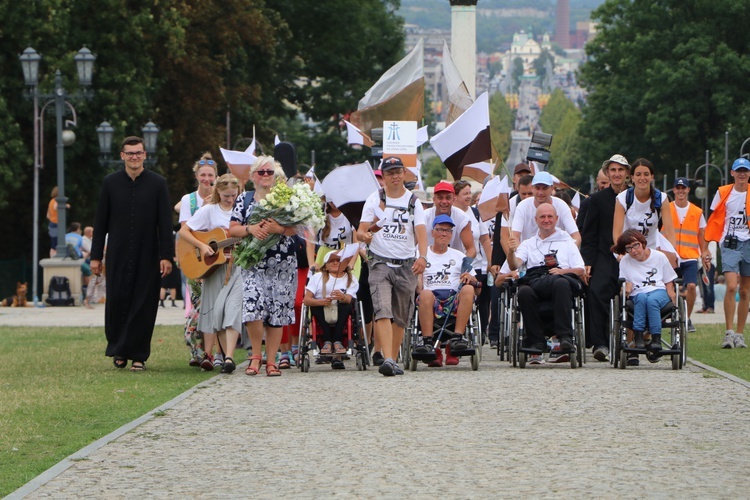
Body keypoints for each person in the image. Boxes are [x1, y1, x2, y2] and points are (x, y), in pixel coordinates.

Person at [90, 136, 175, 372]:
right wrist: (96, 256)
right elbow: (101, 221)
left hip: (148, 252)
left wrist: (166, 255)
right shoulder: (110, 183)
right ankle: (118, 348)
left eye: (138, 153)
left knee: (144, 304)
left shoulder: (158, 184)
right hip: (117, 252)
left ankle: (139, 354)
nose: (134, 157)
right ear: (122, 156)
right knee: (117, 300)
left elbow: (165, 223)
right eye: (130, 153)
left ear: (145, 155)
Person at [227, 156, 299, 377]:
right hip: (253, 262)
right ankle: (255, 356)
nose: (266, 176)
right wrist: (251, 229)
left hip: (282, 263)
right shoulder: (245, 199)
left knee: (277, 312)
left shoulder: (286, 199)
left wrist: (280, 229)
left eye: (269, 172)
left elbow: (298, 228)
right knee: (252, 307)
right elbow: (232, 229)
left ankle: (272, 360)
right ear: (252, 176)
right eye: (261, 172)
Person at [357, 156, 427, 377]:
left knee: (400, 316)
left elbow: (421, 232)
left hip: (406, 263)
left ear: (404, 173)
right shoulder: (374, 198)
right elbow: (361, 230)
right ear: (384, 176)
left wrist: (422, 257)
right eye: (390, 173)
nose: (395, 176)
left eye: (398, 172)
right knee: (382, 310)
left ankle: (393, 358)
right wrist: (366, 235)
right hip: (379, 262)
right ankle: (387, 357)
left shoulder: (414, 202)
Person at [179, 174, 244, 374]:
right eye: (226, 195)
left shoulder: (242, 211)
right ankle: (222, 355)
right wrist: (202, 246)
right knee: (217, 312)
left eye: (233, 195)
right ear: (218, 192)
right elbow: (184, 231)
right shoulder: (209, 210)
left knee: (233, 309)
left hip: (238, 265)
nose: (230, 199)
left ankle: (230, 357)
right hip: (215, 268)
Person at [507, 203, 586, 365]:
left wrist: (561, 272)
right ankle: (536, 341)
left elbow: (580, 270)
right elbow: (515, 265)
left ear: (556, 219)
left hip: (561, 282)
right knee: (523, 292)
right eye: (542, 217)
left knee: (560, 283)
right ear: (536, 220)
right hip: (537, 282)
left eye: (550, 216)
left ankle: (565, 337)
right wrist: (510, 252)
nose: (546, 220)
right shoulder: (528, 243)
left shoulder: (567, 241)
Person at [580, 154, 630, 362]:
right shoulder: (597, 200)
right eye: (613, 170)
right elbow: (589, 233)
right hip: (604, 255)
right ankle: (600, 343)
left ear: (627, 173)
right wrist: (588, 262)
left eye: (620, 170)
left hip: (632, 256)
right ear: (608, 173)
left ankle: (631, 339)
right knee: (597, 291)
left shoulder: (635, 197)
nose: (617, 174)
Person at [413, 214, 479, 367]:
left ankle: (457, 338)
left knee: (469, 289)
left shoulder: (460, 256)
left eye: (448, 231)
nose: (444, 234)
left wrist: (471, 279)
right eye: (440, 230)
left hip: (453, 297)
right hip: (430, 296)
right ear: (432, 232)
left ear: (451, 235)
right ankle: (429, 342)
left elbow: (478, 289)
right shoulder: (421, 255)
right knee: (425, 294)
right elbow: (415, 284)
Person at [705, 157, 750, 349]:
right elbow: (713, 218)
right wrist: (707, 245)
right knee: (731, 286)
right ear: (732, 173)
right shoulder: (724, 192)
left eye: (745, 171)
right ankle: (729, 332)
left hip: (748, 241)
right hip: (730, 242)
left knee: (745, 290)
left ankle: (740, 334)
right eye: (738, 170)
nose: (742, 174)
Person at [178, 153, 218, 367]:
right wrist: (201, 245)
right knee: (198, 304)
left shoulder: (220, 197)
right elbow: (186, 230)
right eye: (203, 174)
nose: (206, 178)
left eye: (210, 175)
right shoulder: (189, 200)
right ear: (196, 176)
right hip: (195, 257)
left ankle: (209, 353)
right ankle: (196, 346)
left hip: (216, 259)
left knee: (212, 306)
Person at [487, 174, 533, 349]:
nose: (527, 198)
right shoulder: (510, 206)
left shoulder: (544, 206)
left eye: (531, 194)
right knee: (499, 283)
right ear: (517, 191)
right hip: (514, 251)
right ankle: (496, 332)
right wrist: (513, 258)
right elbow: (502, 236)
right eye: (524, 194)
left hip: (537, 253)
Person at [612, 230, 677, 351]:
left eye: (635, 245)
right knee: (642, 298)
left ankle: (656, 338)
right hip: (637, 293)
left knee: (652, 300)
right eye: (628, 248)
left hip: (658, 291)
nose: (633, 251)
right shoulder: (625, 261)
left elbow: (669, 279)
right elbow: (624, 282)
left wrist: (672, 293)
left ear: (642, 243)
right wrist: (626, 288)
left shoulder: (659, 257)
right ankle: (638, 337)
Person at [612, 158, 677, 264]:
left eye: (646, 174)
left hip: (651, 253)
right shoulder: (623, 198)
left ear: (652, 177)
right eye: (638, 174)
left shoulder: (662, 198)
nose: (642, 178)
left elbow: (670, 232)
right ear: (632, 178)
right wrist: (622, 253)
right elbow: (617, 233)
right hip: (629, 253)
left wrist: (672, 252)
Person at [303, 251, 359, 369]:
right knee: (315, 305)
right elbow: (307, 300)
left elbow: (349, 299)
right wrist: (322, 302)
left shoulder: (350, 279)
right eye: (331, 261)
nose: (335, 263)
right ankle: (327, 341)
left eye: (338, 261)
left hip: (342, 311)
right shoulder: (317, 278)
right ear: (325, 265)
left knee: (347, 305)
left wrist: (342, 297)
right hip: (321, 310)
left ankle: (337, 341)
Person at [453, 180, 491, 344]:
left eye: (470, 193)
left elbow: (484, 238)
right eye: (465, 193)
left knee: (481, 300)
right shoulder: (451, 213)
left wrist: (491, 261)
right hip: (455, 265)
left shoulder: (475, 213)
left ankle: (481, 332)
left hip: (476, 264)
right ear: (455, 196)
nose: (468, 196)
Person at [669, 177, 709, 333]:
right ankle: (669, 314)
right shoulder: (666, 209)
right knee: (668, 289)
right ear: (674, 190)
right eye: (677, 188)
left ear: (688, 190)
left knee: (691, 287)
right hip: (670, 257)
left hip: (690, 256)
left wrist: (704, 252)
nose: (680, 191)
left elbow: (702, 234)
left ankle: (687, 317)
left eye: (683, 188)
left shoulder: (697, 212)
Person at [511, 171, 581, 247]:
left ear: (552, 189)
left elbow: (576, 236)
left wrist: (567, 254)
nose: (540, 192)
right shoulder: (522, 206)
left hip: (556, 255)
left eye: (544, 188)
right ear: (532, 189)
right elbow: (515, 236)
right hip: (528, 254)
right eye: (537, 188)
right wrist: (521, 255)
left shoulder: (561, 205)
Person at [423, 181, 476, 263]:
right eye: (440, 198)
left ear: (454, 199)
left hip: (454, 263)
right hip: (427, 263)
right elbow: (413, 244)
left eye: (448, 198)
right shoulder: (424, 217)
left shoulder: (462, 218)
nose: (444, 202)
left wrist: (463, 265)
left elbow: (471, 249)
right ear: (434, 199)